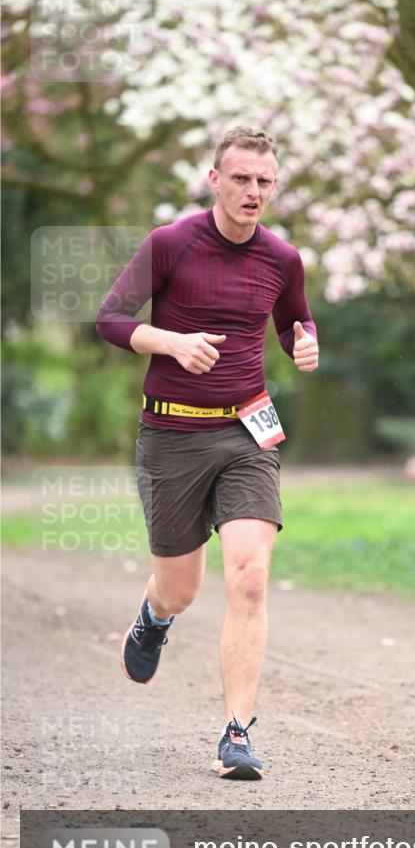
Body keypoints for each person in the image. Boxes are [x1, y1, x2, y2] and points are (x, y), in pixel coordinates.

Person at [96, 125, 318, 780]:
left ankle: (237, 734)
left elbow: (292, 320)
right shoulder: (170, 244)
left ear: (275, 187)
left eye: (264, 181)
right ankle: (154, 615)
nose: (253, 191)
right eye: (241, 178)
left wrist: (304, 340)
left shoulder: (283, 258)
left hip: (248, 432)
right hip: (171, 434)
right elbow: (110, 318)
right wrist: (168, 342)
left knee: (248, 575)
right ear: (215, 179)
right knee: (181, 588)